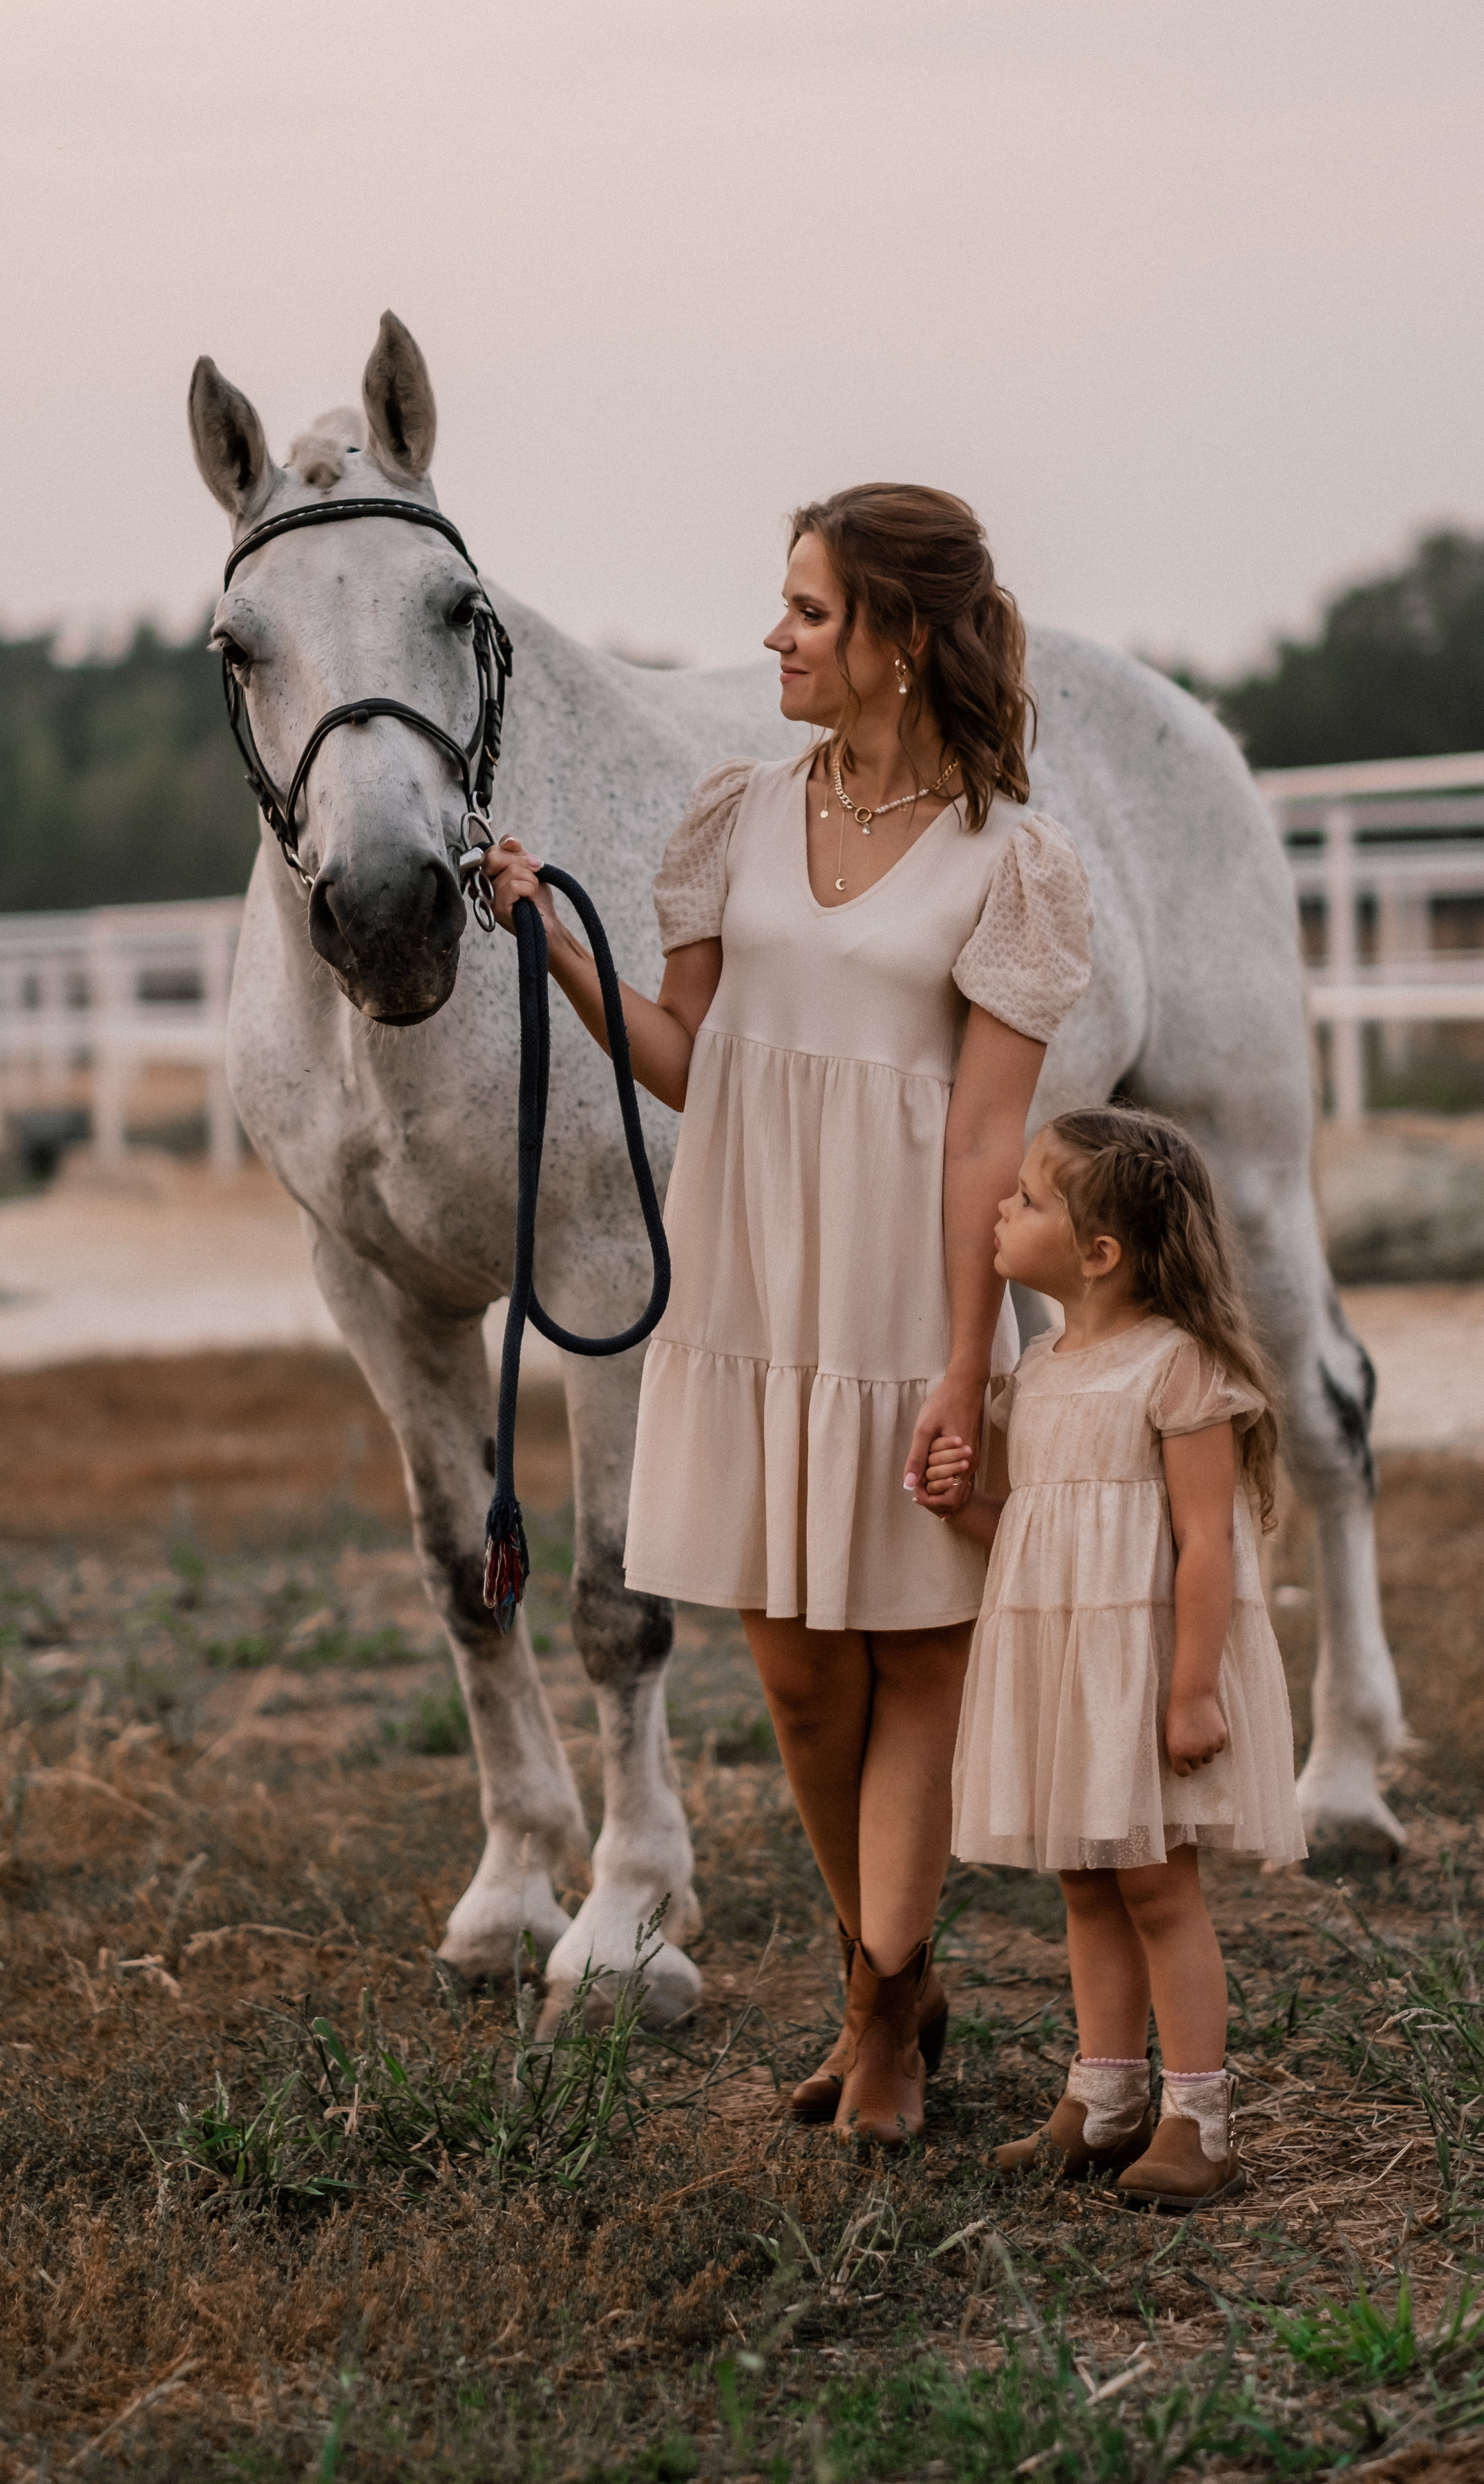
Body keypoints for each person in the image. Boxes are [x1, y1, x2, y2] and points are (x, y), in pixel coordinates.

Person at [485, 484, 1092, 2143]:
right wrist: (550, 942)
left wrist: (965, 1370)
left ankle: (883, 2013)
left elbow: (984, 1140)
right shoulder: (736, 814)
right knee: (802, 1680)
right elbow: (691, 1060)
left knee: (917, 1655)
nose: (774, 636)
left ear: (897, 638)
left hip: (907, 1300)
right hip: (750, 1287)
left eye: (809, 611)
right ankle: (885, 1972)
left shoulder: (1008, 860)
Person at [917, 1106, 1305, 2208]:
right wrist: (962, 1506)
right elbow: (1038, 1532)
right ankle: (1104, 2101)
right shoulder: (1039, 1370)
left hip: (1147, 1672)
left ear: (1098, 1253)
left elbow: (1206, 1543)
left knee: (1157, 1888)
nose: (1001, 1209)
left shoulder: (1178, 1370)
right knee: (1086, 1882)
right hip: (1067, 1673)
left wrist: (1193, 1691)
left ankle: (1199, 2118)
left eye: (1028, 1198)